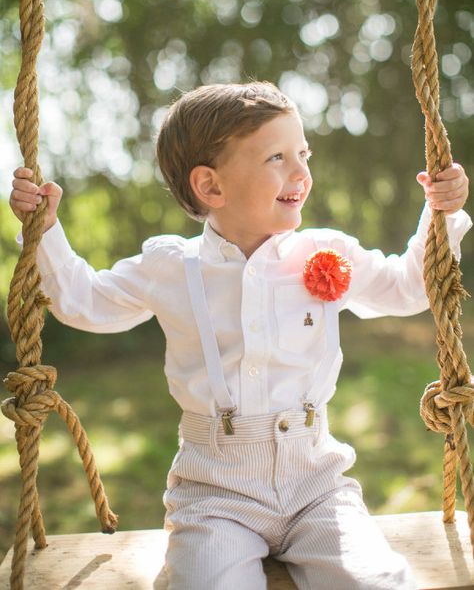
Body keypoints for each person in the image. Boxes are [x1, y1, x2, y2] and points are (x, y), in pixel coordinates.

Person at [9, 82, 471, 590]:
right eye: (277, 157)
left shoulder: (325, 252)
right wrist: (45, 231)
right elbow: (85, 301)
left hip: (317, 484)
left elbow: (406, 288)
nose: (301, 173)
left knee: (373, 581)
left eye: (303, 153)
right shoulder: (172, 266)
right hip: (214, 493)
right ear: (210, 187)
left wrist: (440, 214)